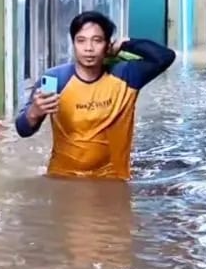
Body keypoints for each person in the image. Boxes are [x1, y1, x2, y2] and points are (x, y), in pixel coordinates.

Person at [15, 11, 175, 180]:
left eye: (97, 40)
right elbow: (22, 130)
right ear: (73, 43)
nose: (88, 48)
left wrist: (124, 44)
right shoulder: (55, 79)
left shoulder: (127, 76)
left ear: (107, 45)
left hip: (113, 179)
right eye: (81, 40)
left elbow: (165, 57)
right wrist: (34, 113)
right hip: (63, 179)